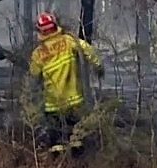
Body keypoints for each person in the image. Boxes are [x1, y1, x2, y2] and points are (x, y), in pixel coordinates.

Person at [28, 11, 103, 155]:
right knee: (76, 137)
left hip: (52, 104)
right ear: (55, 26)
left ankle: (59, 167)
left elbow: (33, 75)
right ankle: (77, 166)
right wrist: (98, 66)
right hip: (73, 100)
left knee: (56, 141)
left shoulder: (38, 53)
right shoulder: (68, 41)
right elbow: (88, 50)